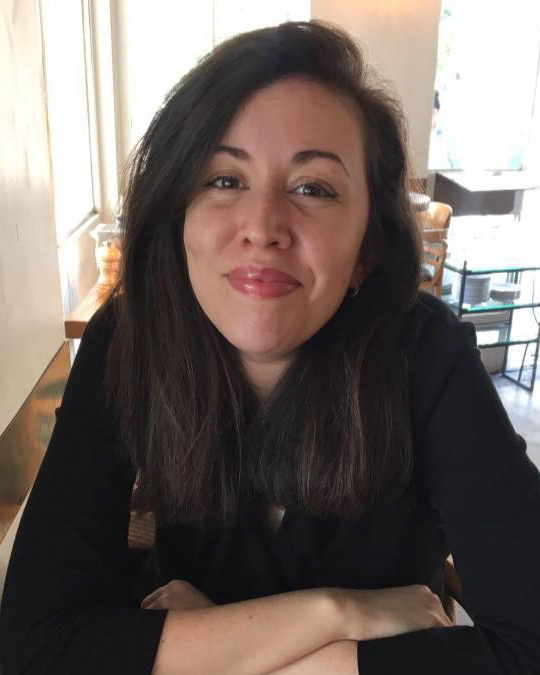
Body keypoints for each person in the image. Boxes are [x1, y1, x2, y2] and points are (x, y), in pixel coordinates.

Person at [1, 20, 540, 675]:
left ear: (368, 247)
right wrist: (339, 615)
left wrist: (220, 647)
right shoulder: (130, 337)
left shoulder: (425, 357)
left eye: (313, 188)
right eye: (225, 180)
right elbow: (33, 642)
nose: (262, 227)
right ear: (179, 217)